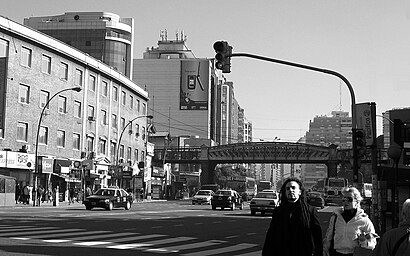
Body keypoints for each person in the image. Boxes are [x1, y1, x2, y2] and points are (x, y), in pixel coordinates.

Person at [262, 177, 323, 256]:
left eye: (293, 188)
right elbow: (271, 235)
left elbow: (317, 236)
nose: (290, 190)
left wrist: (318, 253)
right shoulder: (278, 211)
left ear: (300, 192)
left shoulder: (310, 211)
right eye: (287, 188)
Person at [323, 187, 377, 256]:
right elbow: (328, 238)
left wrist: (364, 241)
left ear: (357, 202)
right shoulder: (335, 217)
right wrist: (325, 249)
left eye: (349, 199)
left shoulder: (364, 220)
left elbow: (373, 243)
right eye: (344, 199)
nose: (346, 202)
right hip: (336, 253)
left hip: (354, 254)